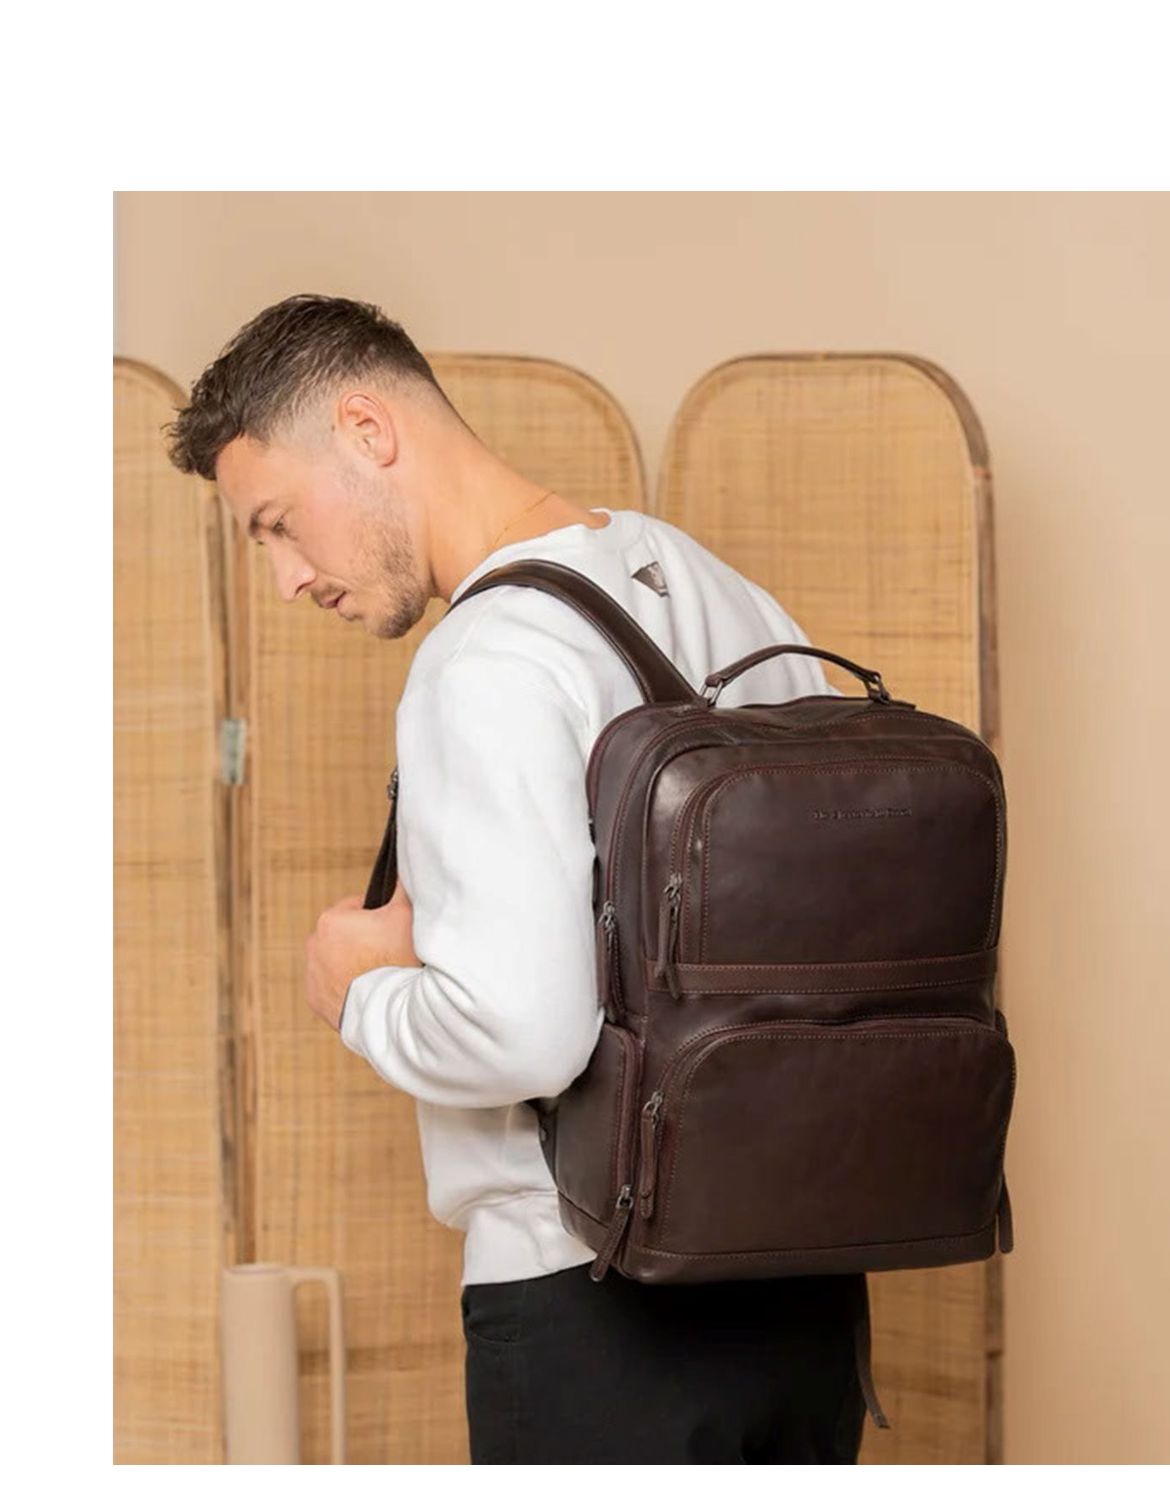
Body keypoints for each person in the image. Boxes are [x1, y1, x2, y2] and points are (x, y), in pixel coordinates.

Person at [165, 293, 870, 1463]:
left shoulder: (486, 660)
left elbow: (525, 1036)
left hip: (592, 1311)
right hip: (805, 1295)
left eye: (278, 523)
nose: (286, 577)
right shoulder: (704, 582)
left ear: (366, 429)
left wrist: (358, 988)